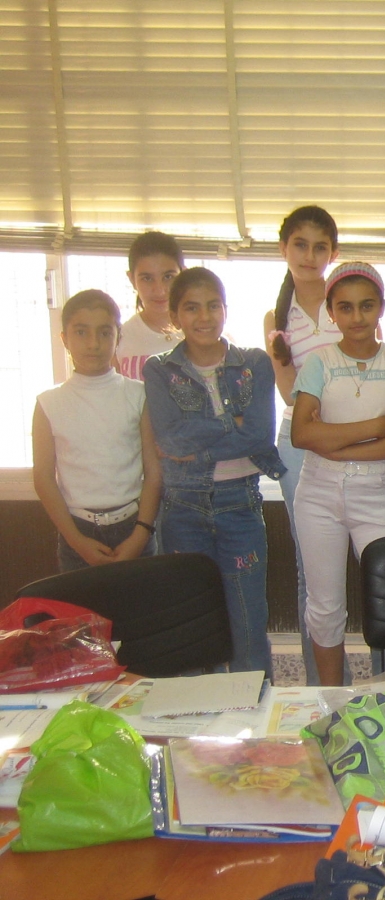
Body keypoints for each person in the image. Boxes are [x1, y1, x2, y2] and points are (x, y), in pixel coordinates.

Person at [290, 262, 385, 686]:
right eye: (345, 308)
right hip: (317, 494)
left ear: (381, 308)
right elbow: (301, 435)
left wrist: (335, 443)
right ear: (331, 312)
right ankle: (331, 701)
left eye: (366, 306)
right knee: (325, 606)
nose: (356, 317)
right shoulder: (319, 362)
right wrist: (372, 428)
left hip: (376, 496)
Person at [144, 268, 282, 677]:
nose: (204, 317)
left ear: (225, 309)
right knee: (195, 626)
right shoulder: (158, 370)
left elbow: (259, 436)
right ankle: (200, 729)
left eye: (212, 306)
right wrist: (230, 423)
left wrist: (202, 443)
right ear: (175, 314)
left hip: (240, 505)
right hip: (182, 509)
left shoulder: (254, 362)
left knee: (247, 623)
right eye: (191, 307)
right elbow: (170, 440)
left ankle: (255, 721)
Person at [263, 205, 342, 686]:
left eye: (320, 246)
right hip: (299, 443)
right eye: (300, 245)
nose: (310, 255)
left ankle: (379, 676)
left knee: (363, 558)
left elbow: (366, 371)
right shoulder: (277, 314)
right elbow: (289, 392)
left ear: (332, 253)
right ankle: (319, 686)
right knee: (308, 566)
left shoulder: (348, 300)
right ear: (284, 249)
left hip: (355, 442)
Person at [34, 290, 160, 572]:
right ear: (64, 338)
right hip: (76, 531)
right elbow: (43, 477)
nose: (93, 344)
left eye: (104, 333)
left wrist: (141, 533)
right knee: (83, 616)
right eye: (81, 332)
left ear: (118, 337)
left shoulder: (138, 395)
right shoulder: (48, 404)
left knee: (141, 614)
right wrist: (76, 540)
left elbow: (154, 471)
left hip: (134, 526)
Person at [115, 231, 184, 380]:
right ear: (132, 279)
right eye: (147, 278)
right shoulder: (119, 339)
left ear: (183, 274)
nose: (159, 290)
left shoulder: (202, 333)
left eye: (168, 277)